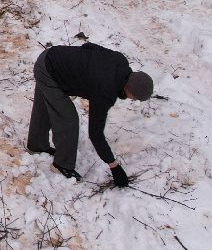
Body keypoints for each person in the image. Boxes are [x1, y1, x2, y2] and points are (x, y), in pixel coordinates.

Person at [26, 43, 153, 187]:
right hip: (49, 71)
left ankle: (37, 144)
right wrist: (114, 166)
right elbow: (95, 133)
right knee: (68, 119)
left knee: (46, 105)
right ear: (131, 92)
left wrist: (80, 70)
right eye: (134, 98)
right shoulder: (106, 91)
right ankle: (62, 165)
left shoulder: (121, 62)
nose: (133, 100)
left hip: (51, 56)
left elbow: (89, 46)